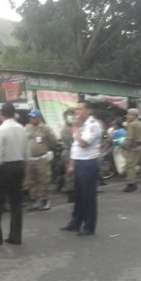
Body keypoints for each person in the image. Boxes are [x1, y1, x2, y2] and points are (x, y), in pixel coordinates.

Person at [0, 102, 27, 246]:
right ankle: (16, 237)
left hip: (4, 168)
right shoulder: (22, 128)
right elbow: (26, 153)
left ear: (2, 114)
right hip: (19, 166)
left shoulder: (1, 130)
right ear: (14, 113)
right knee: (16, 203)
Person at [61, 101, 103, 236]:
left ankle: (89, 226)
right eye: (76, 110)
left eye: (80, 109)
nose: (77, 112)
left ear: (88, 111)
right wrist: (72, 164)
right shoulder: (81, 125)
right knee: (78, 195)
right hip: (79, 162)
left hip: (89, 163)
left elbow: (83, 143)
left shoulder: (94, 125)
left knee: (88, 196)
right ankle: (76, 221)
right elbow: (75, 147)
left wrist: (76, 130)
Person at [24, 110, 58, 211]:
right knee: (31, 180)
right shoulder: (27, 128)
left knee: (43, 180)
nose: (31, 119)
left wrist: (48, 150)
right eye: (30, 117)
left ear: (38, 118)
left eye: (33, 117)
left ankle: (45, 200)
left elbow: (53, 141)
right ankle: (35, 200)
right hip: (30, 159)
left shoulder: (45, 128)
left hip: (42, 158)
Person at [123, 108, 141, 193]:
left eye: (128, 114)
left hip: (134, 148)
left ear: (133, 116)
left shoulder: (131, 125)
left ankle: (131, 184)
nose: (127, 116)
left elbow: (130, 138)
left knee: (130, 166)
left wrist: (125, 146)